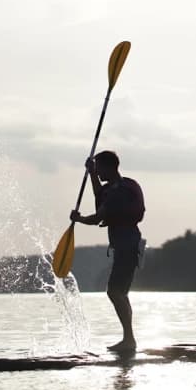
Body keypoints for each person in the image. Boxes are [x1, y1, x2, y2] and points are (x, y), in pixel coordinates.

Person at [70, 150, 145, 354]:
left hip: (127, 247)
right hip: (128, 246)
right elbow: (100, 195)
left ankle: (129, 340)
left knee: (114, 292)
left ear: (110, 167)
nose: (98, 172)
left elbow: (97, 217)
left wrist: (78, 219)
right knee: (121, 293)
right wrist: (92, 174)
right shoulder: (121, 186)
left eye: (99, 168)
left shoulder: (118, 192)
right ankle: (129, 339)